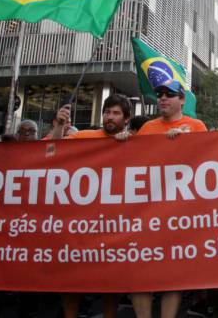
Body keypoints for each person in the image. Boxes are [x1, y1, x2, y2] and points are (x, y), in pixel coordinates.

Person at [50, 95, 133, 318]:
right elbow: (52, 152)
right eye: (107, 112)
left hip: (114, 224)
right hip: (81, 222)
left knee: (111, 281)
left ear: (126, 119)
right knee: (73, 278)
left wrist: (130, 142)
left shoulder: (133, 142)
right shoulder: (83, 137)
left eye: (116, 113)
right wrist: (59, 127)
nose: (110, 117)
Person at [129, 80, 205, 318]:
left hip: (179, 213)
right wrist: (122, 142)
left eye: (169, 94)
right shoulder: (147, 128)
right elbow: (133, 162)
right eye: (160, 94)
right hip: (147, 212)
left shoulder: (196, 126)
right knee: (140, 272)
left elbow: (209, 161)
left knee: (172, 273)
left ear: (182, 100)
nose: (162, 98)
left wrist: (184, 144)